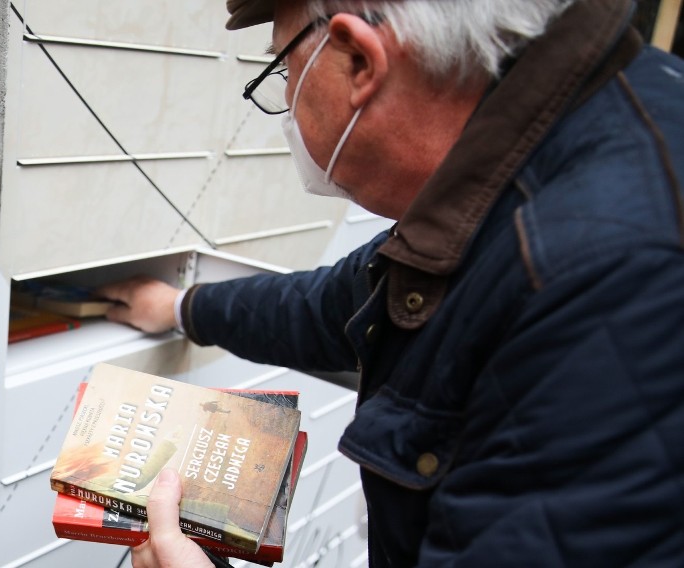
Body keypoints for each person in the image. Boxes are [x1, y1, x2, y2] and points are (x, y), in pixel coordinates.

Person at [111, 0, 684, 566]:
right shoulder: (529, 169)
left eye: (283, 69)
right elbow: (336, 304)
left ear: (360, 60)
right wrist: (182, 307)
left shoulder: (606, 275)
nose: (285, 98)